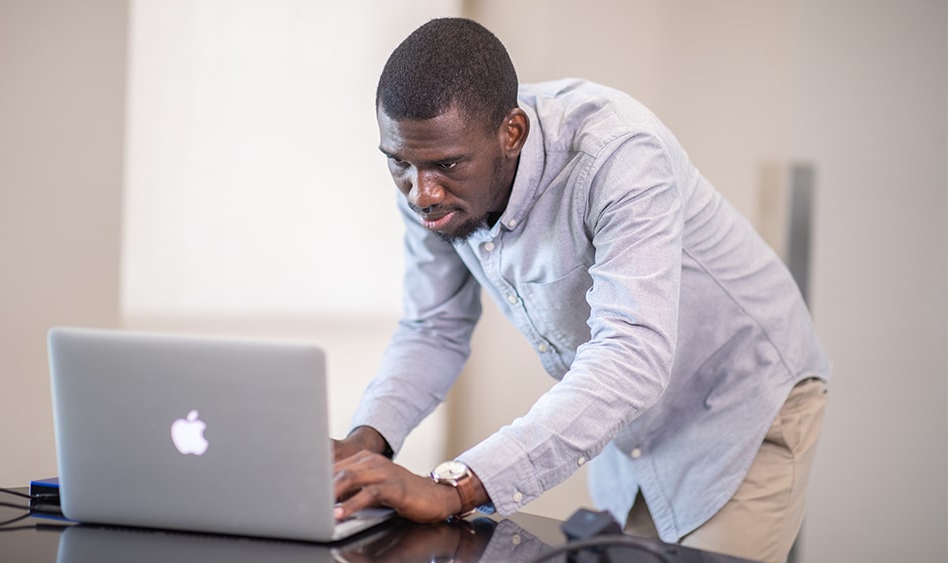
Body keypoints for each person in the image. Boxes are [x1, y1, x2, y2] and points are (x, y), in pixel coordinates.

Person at [331, 17, 829, 563]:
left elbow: (631, 353)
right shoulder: (428, 176)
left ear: (511, 133)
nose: (421, 194)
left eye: (446, 165)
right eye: (399, 163)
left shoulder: (618, 154)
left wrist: (456, 485)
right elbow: (433, 328)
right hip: (630, 419)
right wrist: (365, 444)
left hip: (740, 398)